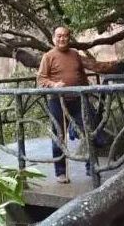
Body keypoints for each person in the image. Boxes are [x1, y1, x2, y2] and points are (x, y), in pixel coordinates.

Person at [37, 26, 116, 183]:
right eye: (59, 36)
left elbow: (82, 75)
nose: (62, 39)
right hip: (58, 101)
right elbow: (41, 79)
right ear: (53, 38)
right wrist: (54, 85)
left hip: (78, 100)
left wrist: (87, 91)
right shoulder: (48, 56)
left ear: (69, 37)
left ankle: (91, 167)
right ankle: (60, 172)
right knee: (59, 135)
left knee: (89, 131)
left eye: (65, 36)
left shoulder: (75, 54)